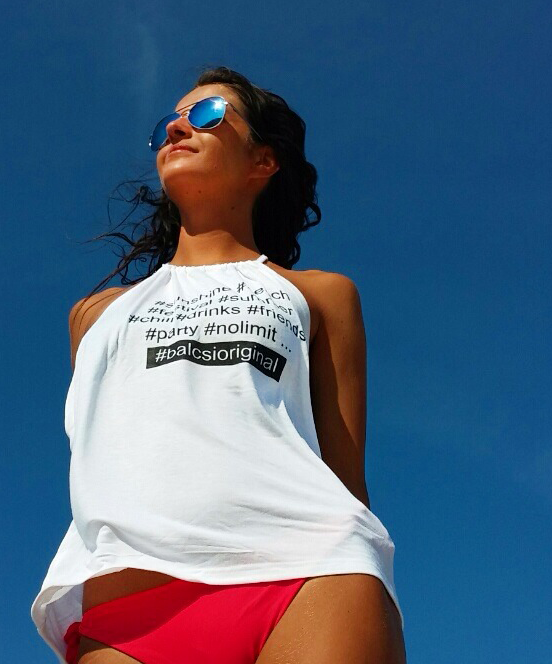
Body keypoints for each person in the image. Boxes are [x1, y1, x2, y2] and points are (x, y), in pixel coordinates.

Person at [31, 66, 407, 664]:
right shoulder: (94, 315)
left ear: (263, 161)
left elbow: (346, 481)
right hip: (127, 607)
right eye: (169, 121)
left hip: (311, 579)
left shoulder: (319, 294)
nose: (177, 128)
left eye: (206, 115)